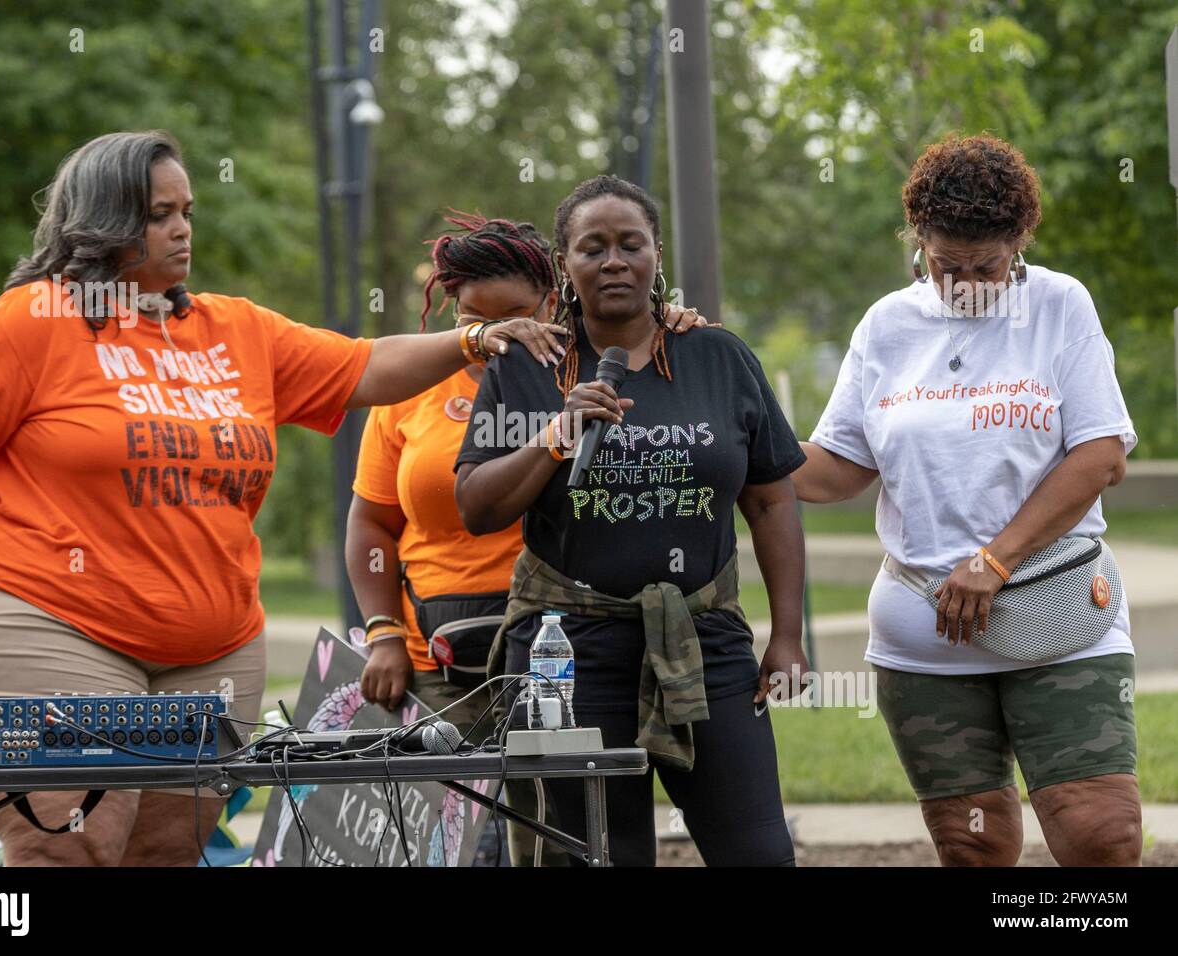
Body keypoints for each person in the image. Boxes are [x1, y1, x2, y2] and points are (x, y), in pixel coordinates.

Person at [0, 130, 563, 867]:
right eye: (157, 213)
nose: (182, 228)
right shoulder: (37, 319)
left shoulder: (233, 329)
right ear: (102, 221)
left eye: (187, 209)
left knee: (168, 855)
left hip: (209, 647)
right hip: (48, 619)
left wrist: (474, 342)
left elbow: (367, 364)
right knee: (75, 848)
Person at [792, 133, 1141, 866]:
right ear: (918, 238)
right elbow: (836, 470)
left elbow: (1100, 455)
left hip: (1056, 613)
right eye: (946, 265)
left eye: (987, 266)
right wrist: (738, 444)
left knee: (1100, 837)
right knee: (971, 847)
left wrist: (995, 558)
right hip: (926, 643)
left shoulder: (1059, 306)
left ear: (1021, 240)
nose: (966, 285)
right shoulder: (887, 325)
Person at [454, 175, 807, 866]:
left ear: (655, 255)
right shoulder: (528, 365)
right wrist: (556, 435)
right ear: (565, 265)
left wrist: (788, 635)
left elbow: (770, 499)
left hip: (703, 642)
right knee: (603, 857)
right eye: (593, 248)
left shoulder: (718, 356)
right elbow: (478, 506)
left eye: (629, 244)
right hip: (568, 654)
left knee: (760, 851)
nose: (613, 261)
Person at [346, 210, 707, 866]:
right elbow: (371, 523)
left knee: (556, 841)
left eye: (515, 314)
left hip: (559, 654)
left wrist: (677, 330)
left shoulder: (594, 374)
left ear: (553, 299)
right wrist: (382, 632)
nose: (496, 336)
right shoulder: (409, 392)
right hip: (440, 661)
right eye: (472, 322)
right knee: (449, 848)